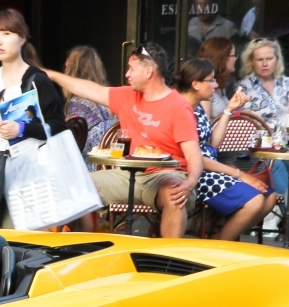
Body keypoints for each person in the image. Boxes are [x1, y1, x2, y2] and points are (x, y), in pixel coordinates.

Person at [47, 42, 203, 238]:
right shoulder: (127, 96)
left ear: (148, 72)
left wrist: (190, 182)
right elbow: (89, 88)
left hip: (165, 175)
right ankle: (78, 248)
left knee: (173, 195)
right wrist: (52, 75)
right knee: (73, 183)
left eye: (131, 68)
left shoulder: (178, 106)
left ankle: (169, 261)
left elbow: (193, 153)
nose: (127, 74)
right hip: (128, 173)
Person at [178, 58, 277, 241]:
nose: (216, 85)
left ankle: (218, 239)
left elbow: (212, 145)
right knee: (255, 201)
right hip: (194, 174)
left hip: (212, 169)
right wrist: (239, 174)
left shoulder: (197, 108)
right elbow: (195, 157)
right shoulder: (179, 110)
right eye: (211, 80)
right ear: (195, 84)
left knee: (269, 198)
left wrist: (228, 110)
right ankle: (218, 245)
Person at [0, 9, 65, 152]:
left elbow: (58, 126)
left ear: (22, 38)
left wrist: (22, 129)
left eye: (6, 34)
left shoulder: (37, 80)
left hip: (33, 167)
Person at [236, 37, 289, 199]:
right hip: (258, 151)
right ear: (251, 62)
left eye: (269, 59)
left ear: (277, 60)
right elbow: (244, 126)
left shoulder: (286, 83)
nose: (265, 64)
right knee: (281, 171)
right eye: (260, 59)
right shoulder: (243, 87)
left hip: (285, 147)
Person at [62, 45, 117, 167]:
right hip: (111, 164)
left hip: (90, 167)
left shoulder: (77, 104)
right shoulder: (108, 98)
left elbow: (69, 147)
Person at [196, 37, 238, 118]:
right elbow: (205, 125)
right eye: (234, 55)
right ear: (223, 58)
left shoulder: (220, 83)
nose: (235, 59)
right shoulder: (205, 86)